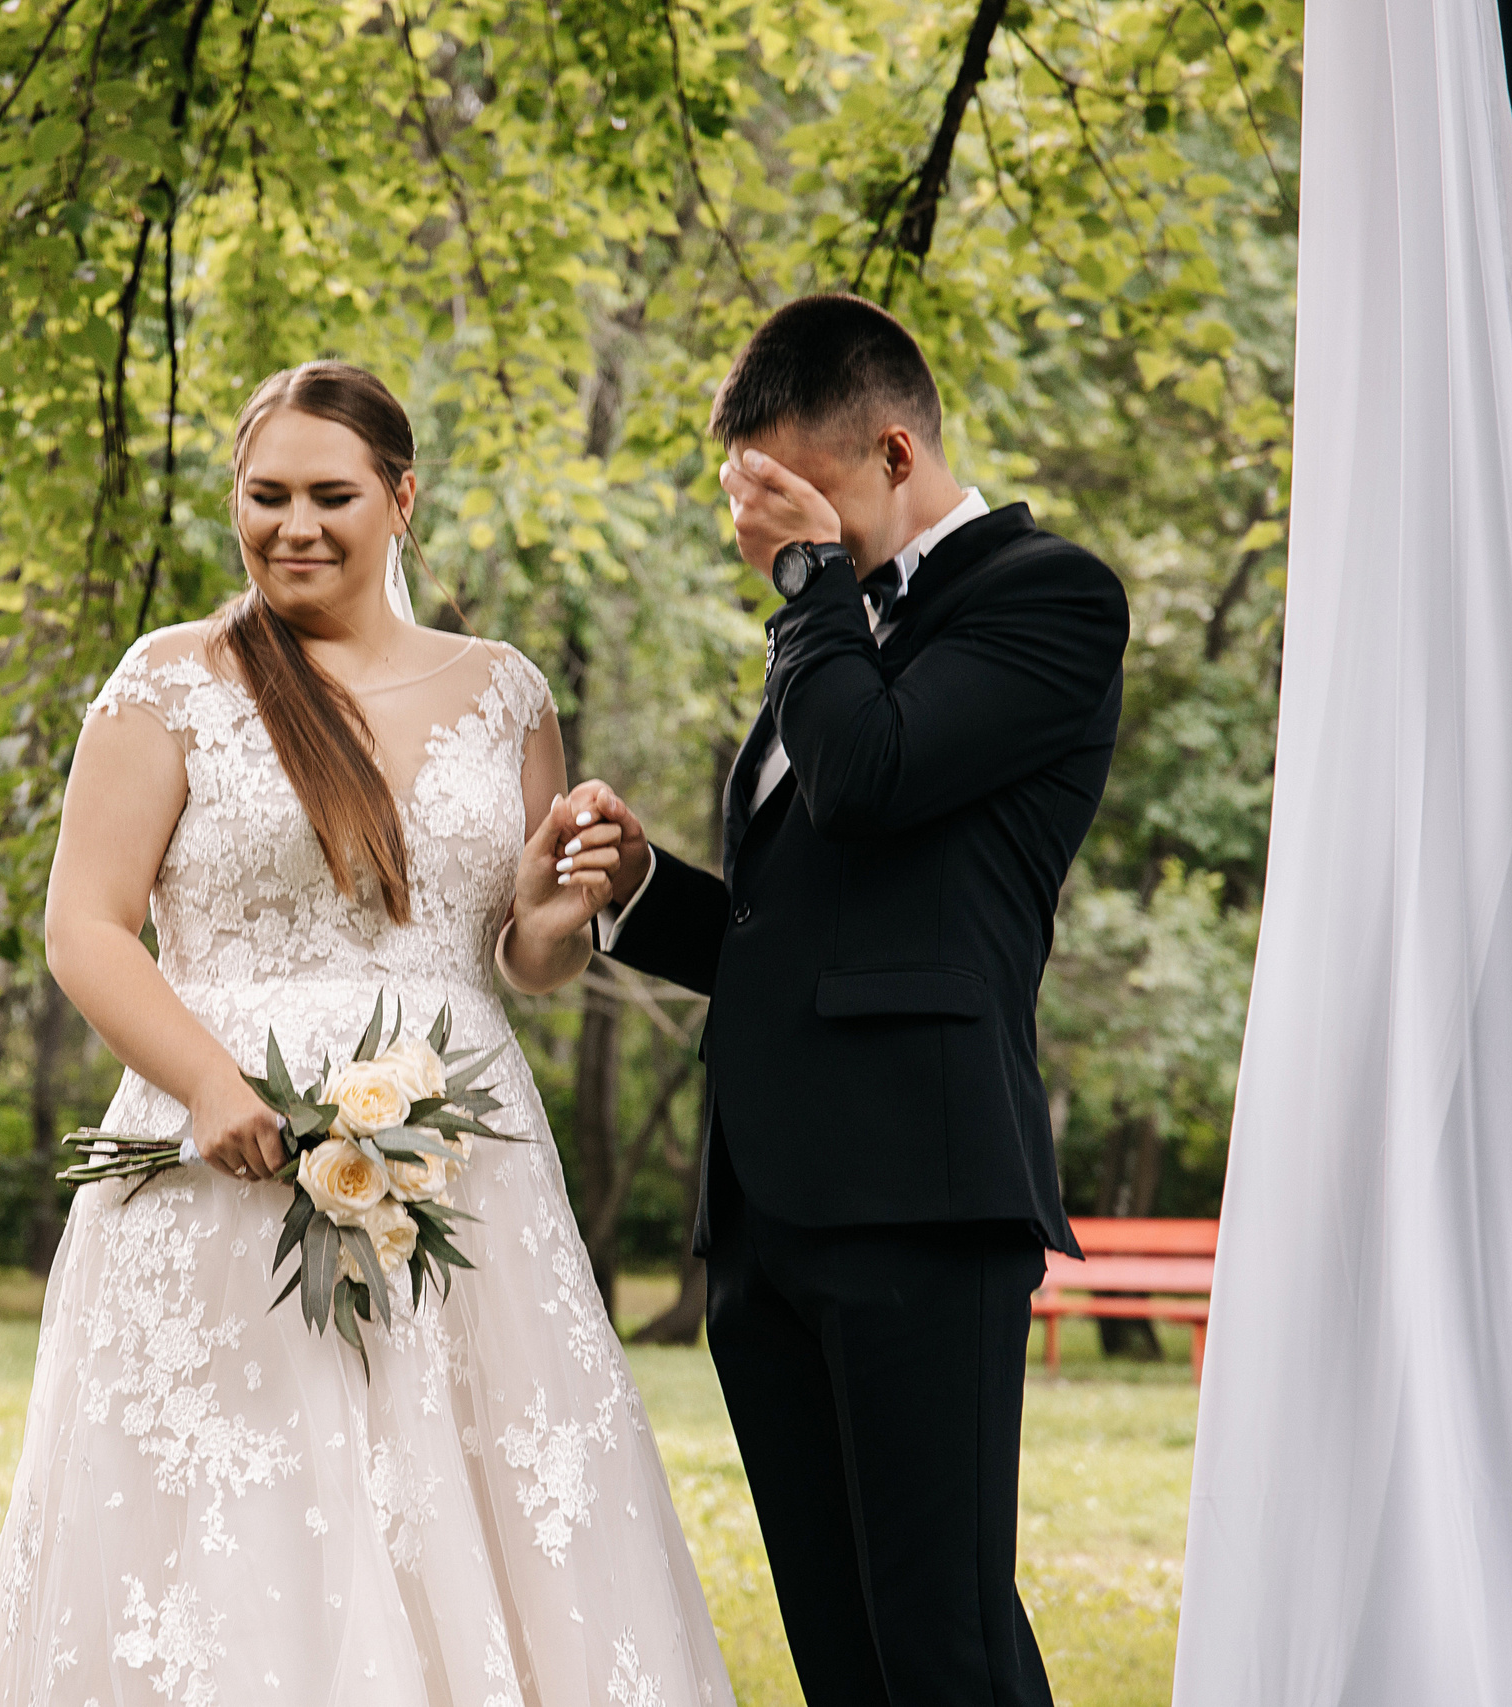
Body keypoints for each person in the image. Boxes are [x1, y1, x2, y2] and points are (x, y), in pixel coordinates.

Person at [0, 361, 733, 1706]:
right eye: (266, 497)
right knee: (241, 1512)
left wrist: (558, 903)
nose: (294, 527)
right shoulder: (170, 684)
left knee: (469, 1491)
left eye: (331, 496)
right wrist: (205, 1084)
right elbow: (85, 928)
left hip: (458, 1164)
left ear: (402, 500)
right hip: (221, 1170)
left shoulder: (505, 692)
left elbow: (523, 961)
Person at [528, 294, 1129, 1705]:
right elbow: (804, 924)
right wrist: (639, 886)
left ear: (895, 453)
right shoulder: (837, 631)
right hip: (769, 1213)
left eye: (792, 500)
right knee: (841, 1649)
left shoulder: (1049, 596)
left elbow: (870, 778)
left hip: (922, 1198)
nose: (766, 540)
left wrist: (809, 592)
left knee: (943, 1640)